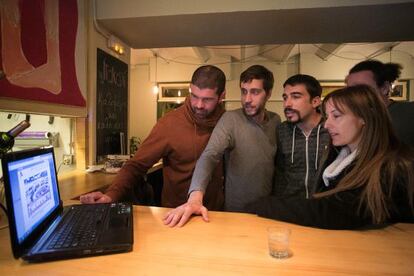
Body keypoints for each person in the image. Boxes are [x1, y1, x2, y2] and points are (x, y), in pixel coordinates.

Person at [245, 85, 414, 229]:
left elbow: (335, 211)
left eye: (337, 116)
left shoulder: (394, 166)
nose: (326, 124)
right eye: (327, 116)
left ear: (365, 118)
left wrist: (266, 205)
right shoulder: (340, 156)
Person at [80, 65, 226, 210]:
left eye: (207, 100)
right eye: (194, 96)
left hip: (218, 214)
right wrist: (111, 195)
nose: (199, 105)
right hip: (176, 215)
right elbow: (136, 165)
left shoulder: (227, 122)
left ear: (222, 96)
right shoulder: (170, 124)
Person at [163, 65, 281, 227]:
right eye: (244, 91)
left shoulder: (276, 121)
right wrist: (195, 197)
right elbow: (210, 155)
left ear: (268, 94)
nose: (247, 99)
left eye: (254, 92)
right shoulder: (230, 119)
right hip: (236, 214)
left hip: (268, 211)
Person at [274, 74, 330, 199]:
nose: (287, 104)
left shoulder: (331, 130)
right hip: (290, 209)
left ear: (315, 101)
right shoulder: (281, 131)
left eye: (295, 97)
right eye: (285, 97)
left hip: (323, 209)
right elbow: (279, 174)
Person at [346, 60, 414, 148]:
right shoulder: (354, 118)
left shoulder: (409, 113)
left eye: (361, 89)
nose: (352, 95)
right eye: (349, 90)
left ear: (385, 88)